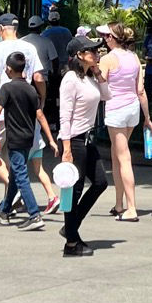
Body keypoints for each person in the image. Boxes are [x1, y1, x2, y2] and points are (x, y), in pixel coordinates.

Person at [0, 51, 56, 226]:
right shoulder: (31, 88)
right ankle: (4, 209)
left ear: (8, 70)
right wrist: (51, 139)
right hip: (28, 138)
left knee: (20, 176)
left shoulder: (7, 88)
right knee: (15, 173)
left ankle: (34, 215)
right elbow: (40, 115)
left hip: (16, 139)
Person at [0, 14, 47, 214]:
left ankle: (13, 193)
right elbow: (39, 77)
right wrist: (40, 98)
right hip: (25, 110)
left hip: (0, 110)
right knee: (13, 158)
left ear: (0, 29)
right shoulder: (30, 48)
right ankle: (9, 203)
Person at [58, 32, 109, 256]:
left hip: (88, 139)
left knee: (100, 182)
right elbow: (64, 116)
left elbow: (107, 96)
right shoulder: (70, 79)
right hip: (74, 140)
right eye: (92, 51)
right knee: (73, 190)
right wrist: (66, 148)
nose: (97, 53)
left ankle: (71, 225)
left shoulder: (89, 77)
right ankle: (71, 242)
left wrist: (98, 73)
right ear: (79, 55)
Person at [100, 21, 152, 221]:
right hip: (132, 109)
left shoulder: (108, 59)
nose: (105, 40)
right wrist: (147, 117)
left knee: (123, 157)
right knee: (116, 155)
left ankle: (131, 207)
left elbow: (101, 84)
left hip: (116, 109)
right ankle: (119, 203)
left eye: (106, 36)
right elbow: (140, 90)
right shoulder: (134, 58)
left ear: (112, 38)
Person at [47, 2, 74, 69]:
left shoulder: (45, 33)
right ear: (59, 20)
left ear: (49, 21)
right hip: (65, 65)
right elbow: (71, 47)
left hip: (51, 65)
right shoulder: (67, 31)